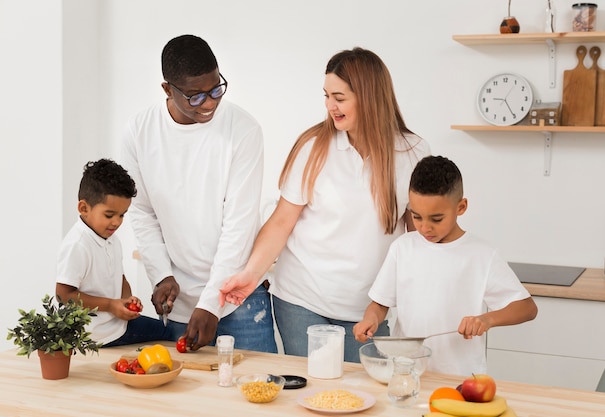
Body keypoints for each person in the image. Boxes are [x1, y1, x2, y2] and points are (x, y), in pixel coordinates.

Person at [220, 47, 431, 362]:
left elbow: (419, 238)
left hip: (368, 308)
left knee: (363, 398)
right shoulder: (313, 147)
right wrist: (251, 274)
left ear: (370, 96)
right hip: (301, 300)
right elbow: (281, 222)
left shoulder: (413, 152)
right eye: (327, 96)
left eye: (340, 97)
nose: (330, 106)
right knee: (315, 395)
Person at [119, 34, 276, 353]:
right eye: (195, 96)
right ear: (167, 89)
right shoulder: (139, 131)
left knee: (257, 395)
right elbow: (142, 212)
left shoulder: (243, 130)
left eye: (216, 89)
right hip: (178, 303)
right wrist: (161, 274)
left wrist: (210, 303)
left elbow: (239, 226)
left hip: (238, 299)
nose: (209, 103)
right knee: (186, 399)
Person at [353, 155, 538, 375]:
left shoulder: (481, 255)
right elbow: (380, 304)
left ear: (461, 207)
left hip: (461, 376)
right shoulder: (403, 248)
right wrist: (370, 319)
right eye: (417, 216)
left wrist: (486, 320)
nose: (424, 228)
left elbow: (527, 308)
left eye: (436, 219)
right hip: (407, 372)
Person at [56, 159, 168, 347]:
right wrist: (110, 305)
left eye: (122, 215)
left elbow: (120, 278)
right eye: (109, 215)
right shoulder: (77, 245)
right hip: (95, 337)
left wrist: (126, 299)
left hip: (118, 326)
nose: (117, 222)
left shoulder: (111, 239)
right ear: (84, 208)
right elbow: (63, 295)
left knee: (169, 331)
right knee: (167, 336)